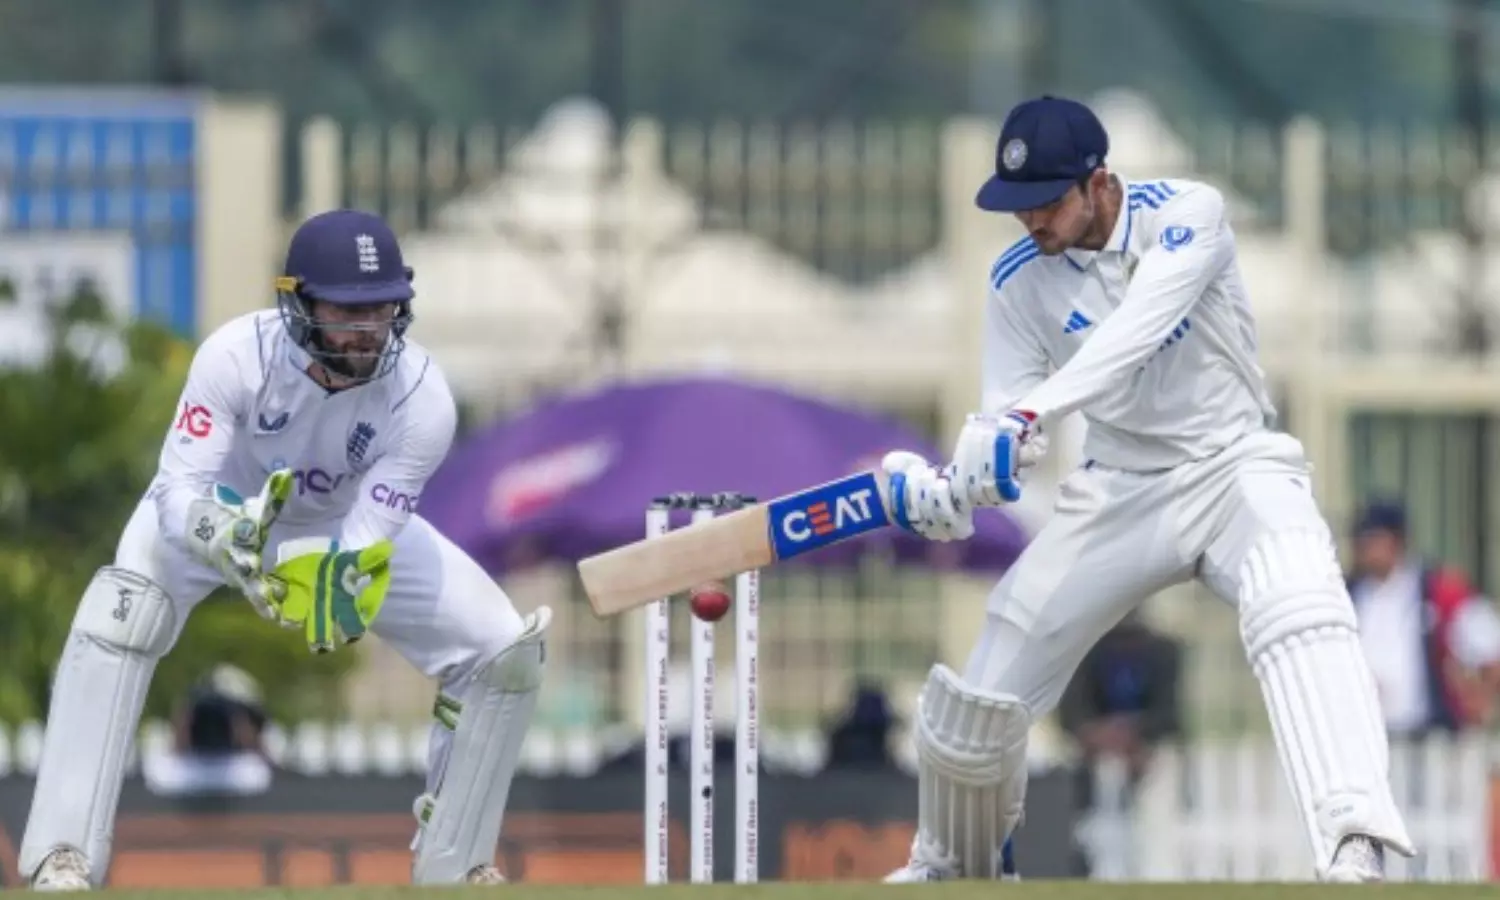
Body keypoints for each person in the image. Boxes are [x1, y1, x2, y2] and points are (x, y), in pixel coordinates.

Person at [878, 95, 1413, 883]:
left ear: (1100, 183)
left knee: (1298, 602)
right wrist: (961, 485)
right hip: (1120, 486)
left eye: (1049, 199)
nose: (1032, 221)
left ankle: (1351, 841)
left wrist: (1029, 411)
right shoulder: (1016, 279)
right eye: (1018, 205)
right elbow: (1007, 430)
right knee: (992, 672)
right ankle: (954, 865)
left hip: (1233, 463)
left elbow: (1131, 337)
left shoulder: (1189, 214)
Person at [20, 209, 550, 890]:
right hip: (217, 514)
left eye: (383, 310)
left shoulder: (423, 401)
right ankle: (64, 855)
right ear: (299, 304)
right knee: (118, 616)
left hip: (336, 523)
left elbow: (369, 533)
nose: (367, 332)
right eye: (347, 312)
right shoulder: (235, 356)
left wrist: (338, 577)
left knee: (500, 650)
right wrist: (225, 536)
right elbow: (179, 490)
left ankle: (456, 864)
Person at [1347, 500, 1500, 736]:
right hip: (1362, 737)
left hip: (1430, 740)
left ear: (1397, 541)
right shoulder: (1347, 595)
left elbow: (1490, 646)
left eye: (1374, 539)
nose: (1366, 548)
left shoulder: (1439, 591)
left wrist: (1481, 698)